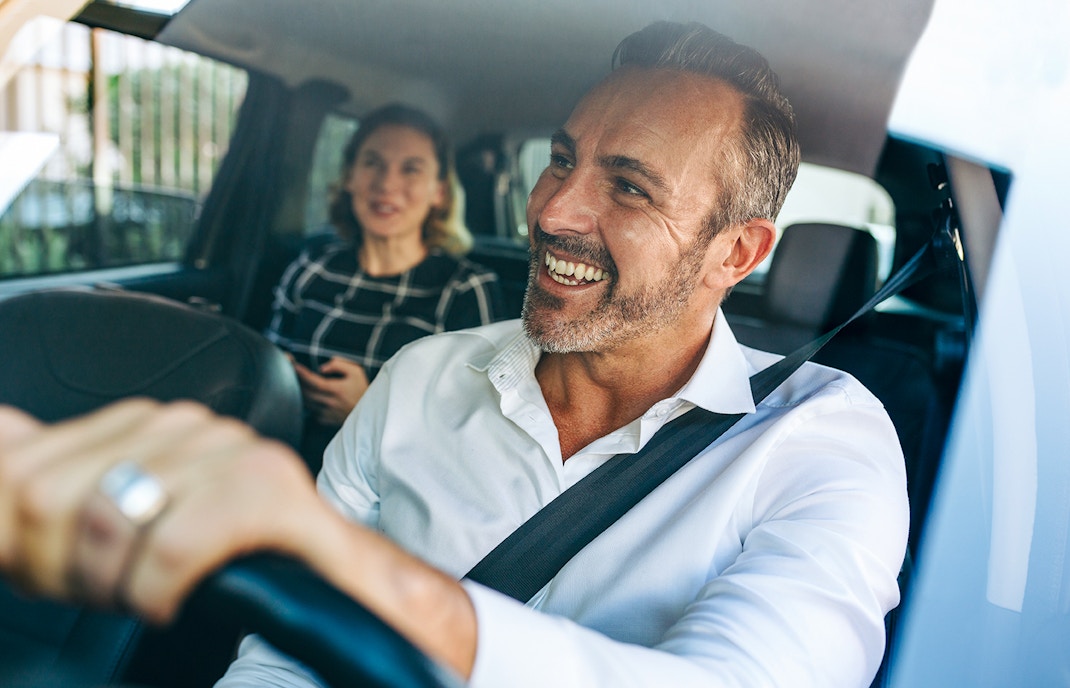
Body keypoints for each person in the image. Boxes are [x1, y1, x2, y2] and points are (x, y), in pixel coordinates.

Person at [0, 21, 908, 688]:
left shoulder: (821, 443)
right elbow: (278, 662)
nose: (553, 210)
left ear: (737, 253)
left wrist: (341, 563)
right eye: (561, 159)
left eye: (629, 187)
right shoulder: (420, 378)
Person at [266, 103, 506, 470]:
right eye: (373, 163)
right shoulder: (312, 266)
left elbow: (475, 433)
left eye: (411, 168)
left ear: (439, 191)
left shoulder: (465, 289)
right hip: (281, 462)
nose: (386, 184)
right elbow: (268, 360)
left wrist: (369, 411)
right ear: (349, 178)